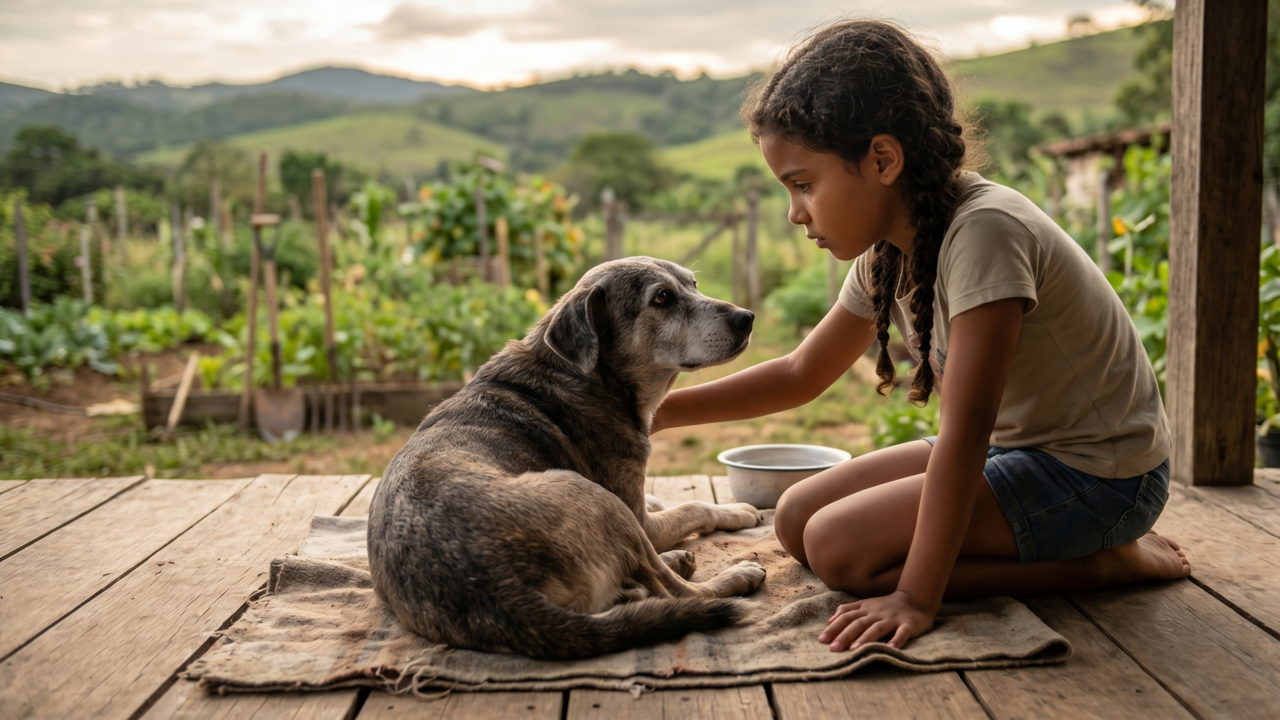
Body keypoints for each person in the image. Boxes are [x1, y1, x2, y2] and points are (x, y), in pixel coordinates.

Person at [650, 19, 1190, 653]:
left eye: (803, 184)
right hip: (1017, 450)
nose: (795, 212)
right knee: (797, 517)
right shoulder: (890, 250)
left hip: (1099, 478)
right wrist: (652, 411)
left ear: (882, 159)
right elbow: (801, 373)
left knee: (838, 550)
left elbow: (964, 437)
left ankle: (1099, 565)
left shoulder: (986, 233)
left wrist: (916, 595)